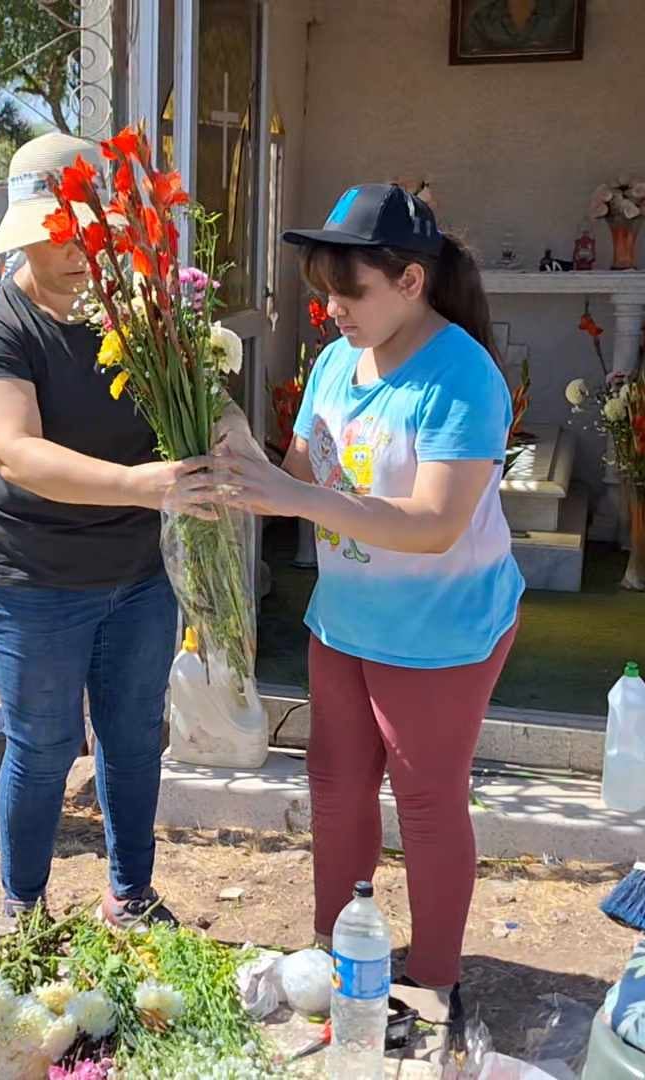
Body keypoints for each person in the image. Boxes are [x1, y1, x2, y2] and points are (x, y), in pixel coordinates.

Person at [181, 184, 523, 1021]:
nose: (332, 310)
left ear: (411, 281)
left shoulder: (461, 378)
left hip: (442, 630)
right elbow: (302, 478)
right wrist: (222, 439)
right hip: (346, 621)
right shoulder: (338, 360)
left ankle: (438, 976)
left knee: (428, 801)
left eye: (351, 292)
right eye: (324, 291)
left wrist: (296, 501)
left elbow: (437, 525)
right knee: (335, 791)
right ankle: (341, 958)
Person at [0, 133, 198, 929]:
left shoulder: (133, 310)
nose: (80, 249)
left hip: (137, 576)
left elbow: (199, 390)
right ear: (26, 232)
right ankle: (24, 912)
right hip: (35, 581)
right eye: (59, 233)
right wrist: (141, 485)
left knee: (131, 740)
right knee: (47, 747)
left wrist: (229, 444)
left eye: (91, 230)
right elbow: (15, 453)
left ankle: (132, 895)